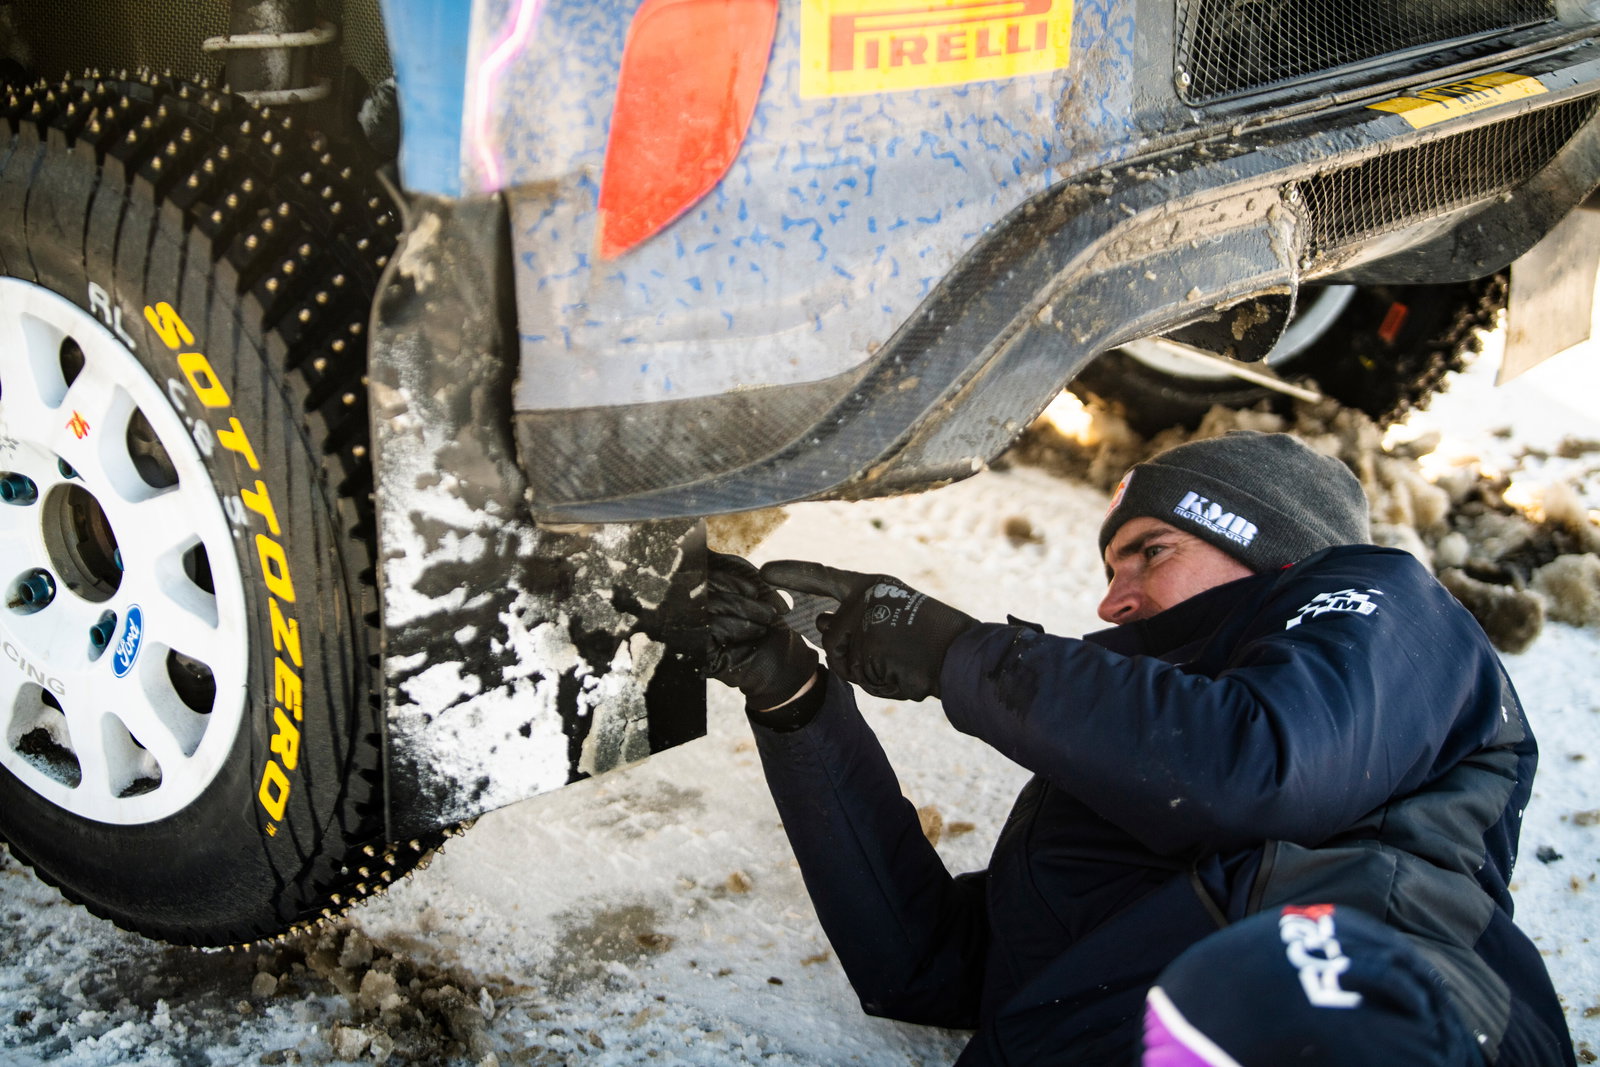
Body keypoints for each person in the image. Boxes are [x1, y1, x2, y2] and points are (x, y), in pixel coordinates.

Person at [706, 430, 1573, 1067]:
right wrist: (796, 698)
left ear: (1270, 550)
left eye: (1147, 554)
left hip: (1370, 1010)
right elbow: (926, 964)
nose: (1113, 600)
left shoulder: (1383, 607)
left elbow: (1257, 765)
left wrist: (953, 652)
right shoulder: (1137, 755)